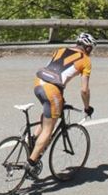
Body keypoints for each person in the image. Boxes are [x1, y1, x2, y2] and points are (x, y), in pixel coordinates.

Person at [25, 31, 96, 178]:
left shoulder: (60, 50)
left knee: (49, 111)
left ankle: (32, 140)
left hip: (38, 83)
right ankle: (30, 164)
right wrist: (87, 107)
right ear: (88, 48)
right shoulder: (86, 60)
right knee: (48, 131)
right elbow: (84, 90)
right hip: (52, 90)